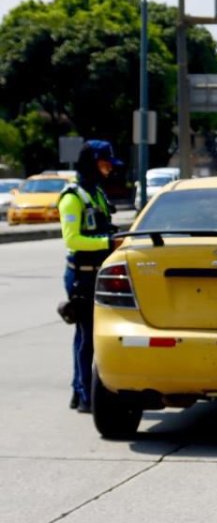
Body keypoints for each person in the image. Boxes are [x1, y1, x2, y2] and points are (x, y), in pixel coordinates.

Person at [57, 139, 121, 414]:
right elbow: (72, 239)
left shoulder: (96, 193)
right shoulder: (73, 197)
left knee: (86, 336)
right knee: (87, 338)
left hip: (99, 274)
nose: (109, 167)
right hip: (81, 276)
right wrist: (108, 243)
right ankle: (85, 397)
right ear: (91, 162)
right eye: (104, 162)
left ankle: (78, 389)